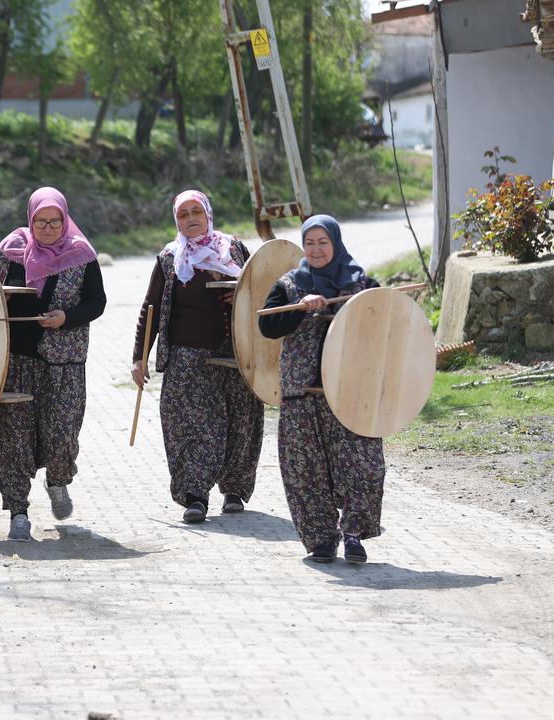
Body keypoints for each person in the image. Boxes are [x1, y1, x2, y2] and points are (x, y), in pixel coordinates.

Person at [257, 215, 383, 564]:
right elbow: (266, 326)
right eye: (309, 243)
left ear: (336, 243)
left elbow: (386, 325)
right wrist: (300, 309)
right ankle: (321, 541)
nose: (315, 249)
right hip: (302, 394)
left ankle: (355, 535)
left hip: (351, 393)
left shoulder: (361, 284)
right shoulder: (289, 285)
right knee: (305, 470)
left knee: (362, 467)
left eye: (322, 242)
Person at [132, 190, 263, 524]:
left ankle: (234, 488)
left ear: (208, 214)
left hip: (234, 352)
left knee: (240, 421)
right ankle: (194, 495)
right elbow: (150, 309)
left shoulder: (232, 248)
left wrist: (242, 298)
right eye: (183, 214)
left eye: (196, 212)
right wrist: (139, 358)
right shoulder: (169, 258)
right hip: (186, 359)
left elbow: (259, 289)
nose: (190, 219)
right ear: (176, 220)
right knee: (190, 427)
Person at [0, 187, 106, 541]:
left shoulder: (81, 254)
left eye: (55, 221)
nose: (48, 227)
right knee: (11, 437)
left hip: (63, 362)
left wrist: (65, 317)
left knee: (62, 433)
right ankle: (18, 511)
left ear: (65, 218)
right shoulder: (10, 251)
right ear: (30, 218)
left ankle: (58, 480)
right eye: (41, 221)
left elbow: (96, 302)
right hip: (15, 360)